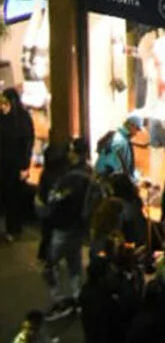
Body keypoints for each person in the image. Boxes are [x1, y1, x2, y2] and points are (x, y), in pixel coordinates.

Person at [40, 137, 93, 321]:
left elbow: (56, 202)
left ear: (76, 153)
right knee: (74, 266)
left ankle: (59, 301)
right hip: (79, 228)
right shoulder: (88, 173)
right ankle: (79, 300)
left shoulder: (70, 178)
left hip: (63, 228)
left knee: (48, 266)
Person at [0, 87, 33, 242]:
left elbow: (27, 142)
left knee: (13, 198)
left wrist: (25, 165)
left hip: (14, 165)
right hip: (5, 165)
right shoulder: (5, 117)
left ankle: (14, 229)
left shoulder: (22, 118)